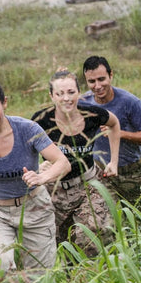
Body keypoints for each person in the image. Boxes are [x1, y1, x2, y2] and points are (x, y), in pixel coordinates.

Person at [0, 72, 71, 272]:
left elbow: (62, 162)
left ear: (4, 103)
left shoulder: (28, 130)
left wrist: (41, 177)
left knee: (40, 277)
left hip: (34, 208)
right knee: (0, 265)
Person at [32, 68, 122, 257]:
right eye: (60, 93)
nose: (66, 98)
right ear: (52, 96)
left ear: (79, 93)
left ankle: (102, 278)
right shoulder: (41, 121)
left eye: (71, 92)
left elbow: (114, 124)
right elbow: (25, 148)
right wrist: (37, 168)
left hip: (88, 185)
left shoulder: (92, 114)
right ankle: (75, 282)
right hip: (55, 190)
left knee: (90, 240)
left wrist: (113, 161)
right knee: (64, 247)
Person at [81, 56, 141, 213]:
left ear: (111, 75)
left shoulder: (130, 102)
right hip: (99, 172)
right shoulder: (83, 103)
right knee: (104, 222)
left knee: (140, 222)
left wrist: (119, 133)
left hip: (130, 172)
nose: (97, 86)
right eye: (91, 82)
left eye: (101, 79)